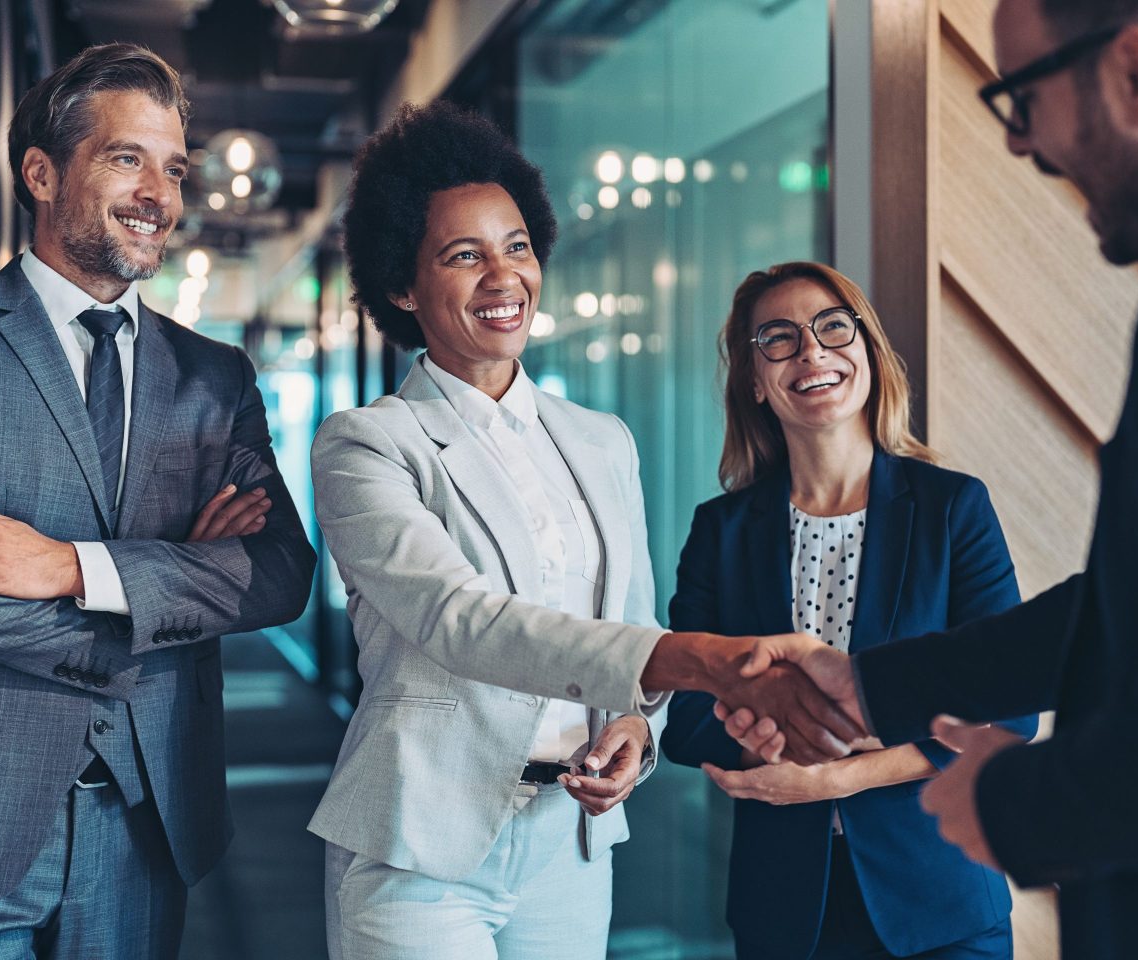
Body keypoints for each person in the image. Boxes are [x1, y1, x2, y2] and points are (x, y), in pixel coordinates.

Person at [720, 1, 1138, 957]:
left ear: (1135, 74)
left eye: (1019, 97)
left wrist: (1012, 802)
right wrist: (870, 683)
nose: (1022, 141)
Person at [306, 101, 866, 960]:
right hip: (423, 845)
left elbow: (630, 632)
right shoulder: (369, 445)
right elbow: (462, 621)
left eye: (518, 246)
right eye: (465, 255)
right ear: (401, 285)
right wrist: (702, 657)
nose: (504, 278)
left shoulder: (601, 441)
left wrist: (637, 734)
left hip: (570, 843)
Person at [0, 43, 316, 958]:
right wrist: (174, 590)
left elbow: (277, 576)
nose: (161, 193)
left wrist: (67, 568)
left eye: (175, 168)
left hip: (146, 827)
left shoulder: (215, 376)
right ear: (41, 171)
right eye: (126, 158)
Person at [662, 262, 1035, 960]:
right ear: (753, 379)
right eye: (778, 338)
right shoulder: (722, 530)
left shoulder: (952, 509)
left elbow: (1007, 711)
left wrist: (830, 774)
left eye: (833, 327)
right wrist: (803, 738)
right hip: (785, 908)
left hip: (941, 904)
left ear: (867, 350)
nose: (811, 352)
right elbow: (682, 712)